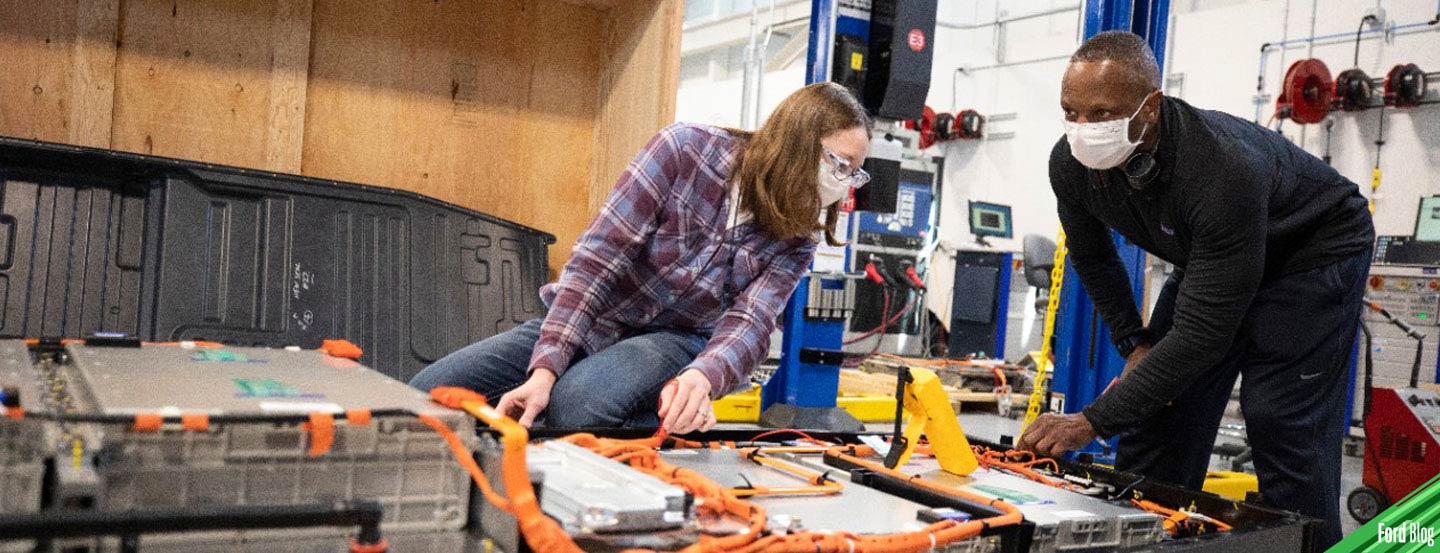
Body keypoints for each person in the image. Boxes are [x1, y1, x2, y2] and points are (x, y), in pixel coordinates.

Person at [1016, 31, 1373, 549]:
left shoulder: (1221, 167)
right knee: (1157, 412)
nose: (1084, 128)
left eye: (1102, 114)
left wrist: (1089, 422)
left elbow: (1203, 335)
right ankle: (1143, 540)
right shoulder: (1070, 164)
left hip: (1310, 255)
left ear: (1151, 108)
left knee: (1281, 422)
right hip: (1212, 257)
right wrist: (1133, 345)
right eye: (1071, 112)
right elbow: (1092, 257)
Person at [410, 82, 872, 435]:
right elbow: (597, 261)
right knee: (423, 396)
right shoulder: (684, 151)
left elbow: (751, 323)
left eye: (855, 173)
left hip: (674, 341)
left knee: (578, 406)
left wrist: (702, 379)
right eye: (840, 165)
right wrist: (545, 367)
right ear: (796, 142)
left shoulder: (800, 234)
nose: (845, 183)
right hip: (597, 320)